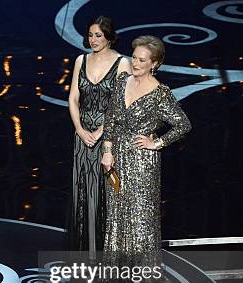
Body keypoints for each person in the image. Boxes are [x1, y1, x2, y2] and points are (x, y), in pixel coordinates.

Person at [101, 36, 191, 267]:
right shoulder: (122, 81)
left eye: (142, 60)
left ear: (155, 63)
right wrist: (107, 151)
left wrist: (157, 143)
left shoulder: (161, 93)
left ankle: (142, 272)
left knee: (141, 217)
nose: (136, 63)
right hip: (116, 159)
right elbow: (111, 119)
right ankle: (118, 269)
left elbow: (183, 124)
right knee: (118, 213)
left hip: (143, 163)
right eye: (134, 57)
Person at [67, 16, 130, 255]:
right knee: (83, 193)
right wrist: (81, 130)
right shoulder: (80, 60)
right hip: (82, 138)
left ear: (109, 37)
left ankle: (107, 254)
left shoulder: (122, 63)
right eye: (91, 35)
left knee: (106, 194)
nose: (93, 40)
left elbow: (119, 105)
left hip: (108, 137)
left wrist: (100, 132)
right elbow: (73, 98)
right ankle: (86, 254)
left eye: (98, 36)